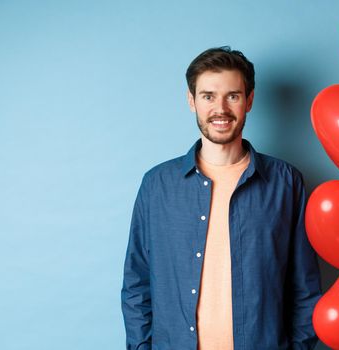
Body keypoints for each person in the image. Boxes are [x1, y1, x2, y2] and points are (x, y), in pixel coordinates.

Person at [121, 46, 321, 350]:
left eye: (233, 95)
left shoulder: (285, 182)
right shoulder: (157, 185)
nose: (221, 109)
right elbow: (137, 285)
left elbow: (305, 288)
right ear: (191, 101)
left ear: (249, 101)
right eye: (208, 96)